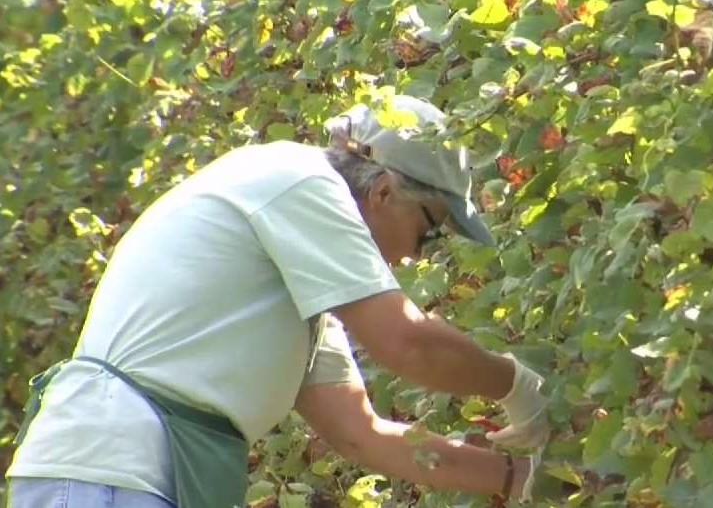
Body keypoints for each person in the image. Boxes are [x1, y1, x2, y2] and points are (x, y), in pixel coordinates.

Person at [5, 95, 551, 507]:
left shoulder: (300, 281)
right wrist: (520, 387)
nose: (416, 255)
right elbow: (408, 343)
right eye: (428, 231)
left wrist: (525, 480)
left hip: (128, 476)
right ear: (384, 191)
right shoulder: (299, 183)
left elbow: (361, 435)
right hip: (107, 474)